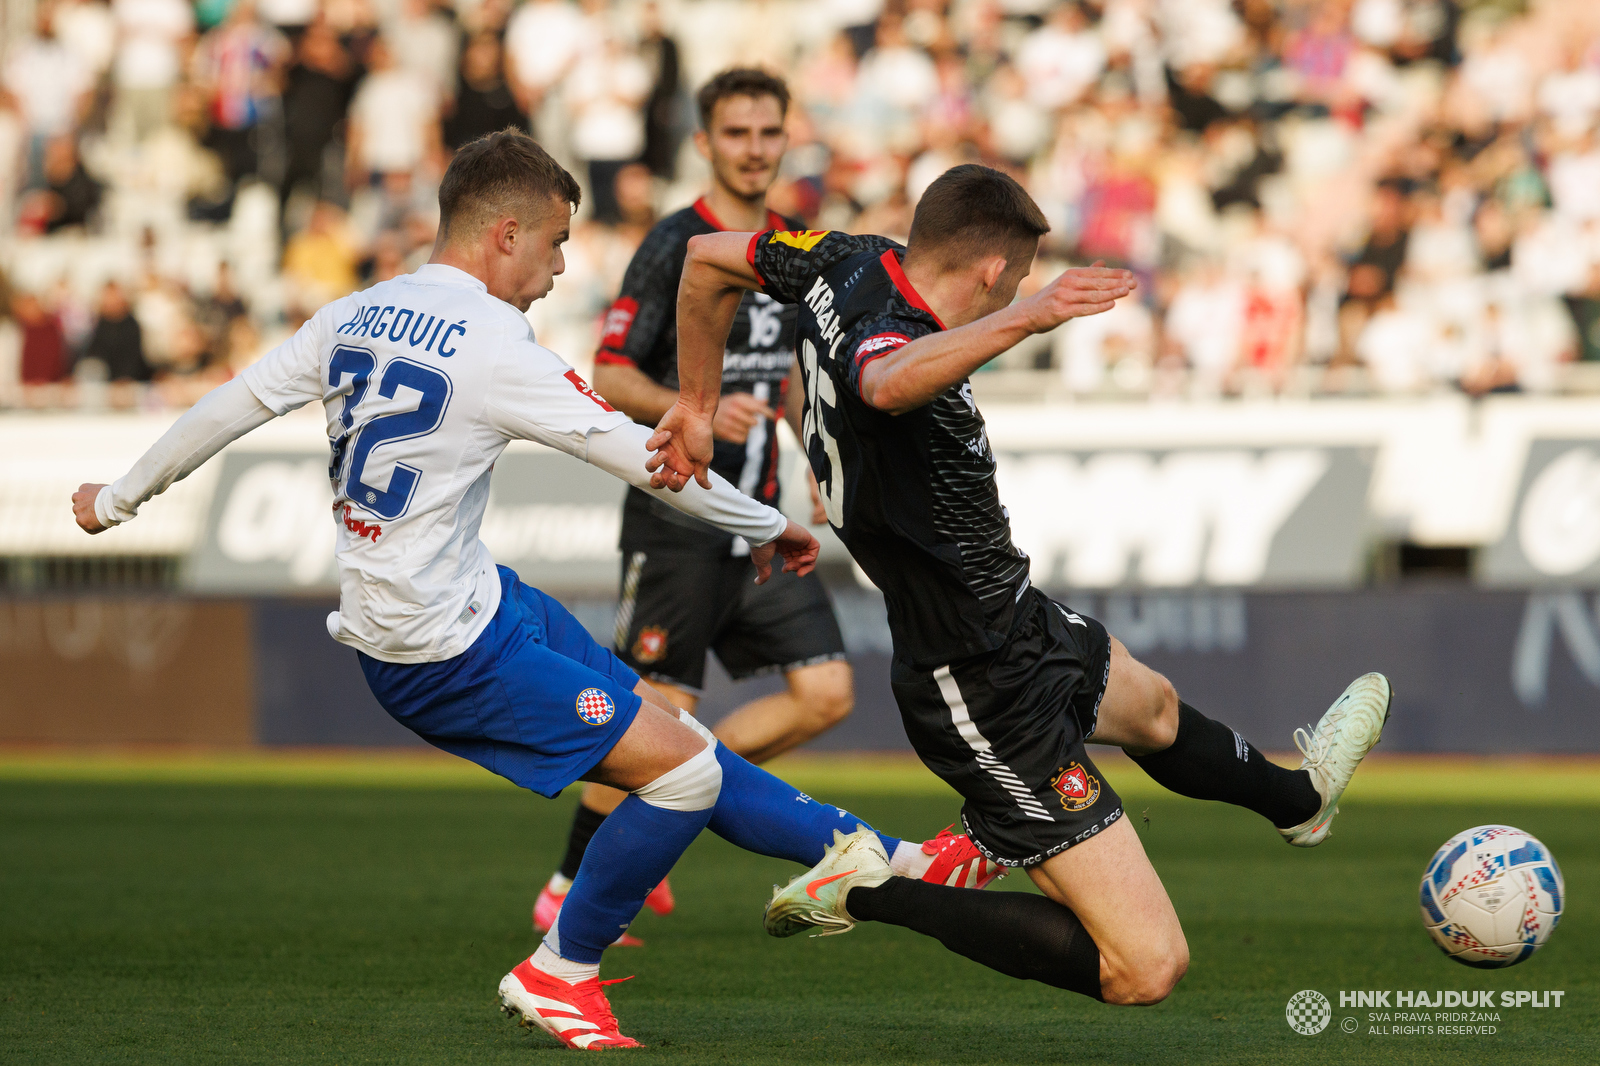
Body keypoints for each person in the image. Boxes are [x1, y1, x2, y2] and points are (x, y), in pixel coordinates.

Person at [69, 132, 1009, 1050]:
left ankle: (895, 862)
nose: (562, 266)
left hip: (479, 601)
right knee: (678, 777)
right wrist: (770, 524)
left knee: (684, 746)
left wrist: (116, 498)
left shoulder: (354, 313)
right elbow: (642, 459)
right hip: (439, 649)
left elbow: (232, 402)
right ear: (505, 234)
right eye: (556, 241)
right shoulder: (493, 345)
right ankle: (559, 974)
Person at [650, 163, 1394, 1006]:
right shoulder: (896, 336)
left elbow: (710, 258)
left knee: (1152, 709)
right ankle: (869, 884)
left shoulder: (843, 257)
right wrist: (1036, 318)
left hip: (1019, 617)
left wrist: (699, 405)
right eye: (1022, 282)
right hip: (977, 680)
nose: (1021, 295)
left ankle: (1299, 800)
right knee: (1146, 969)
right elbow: (881, 378)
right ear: (992, 273)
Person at [530, 68, 907, 944]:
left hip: (758, 516)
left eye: (768, 133)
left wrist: (812, 453)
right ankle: (569, 882)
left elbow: (778, 370)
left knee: (825, 692)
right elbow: (609, 371)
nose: (754, 148)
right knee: (658, 713)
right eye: (736, 133)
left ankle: (674, 810)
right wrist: (689, 406)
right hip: (677, 515)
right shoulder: (675, 244)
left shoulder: (790, 242)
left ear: (785, 137)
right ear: (704, 143)